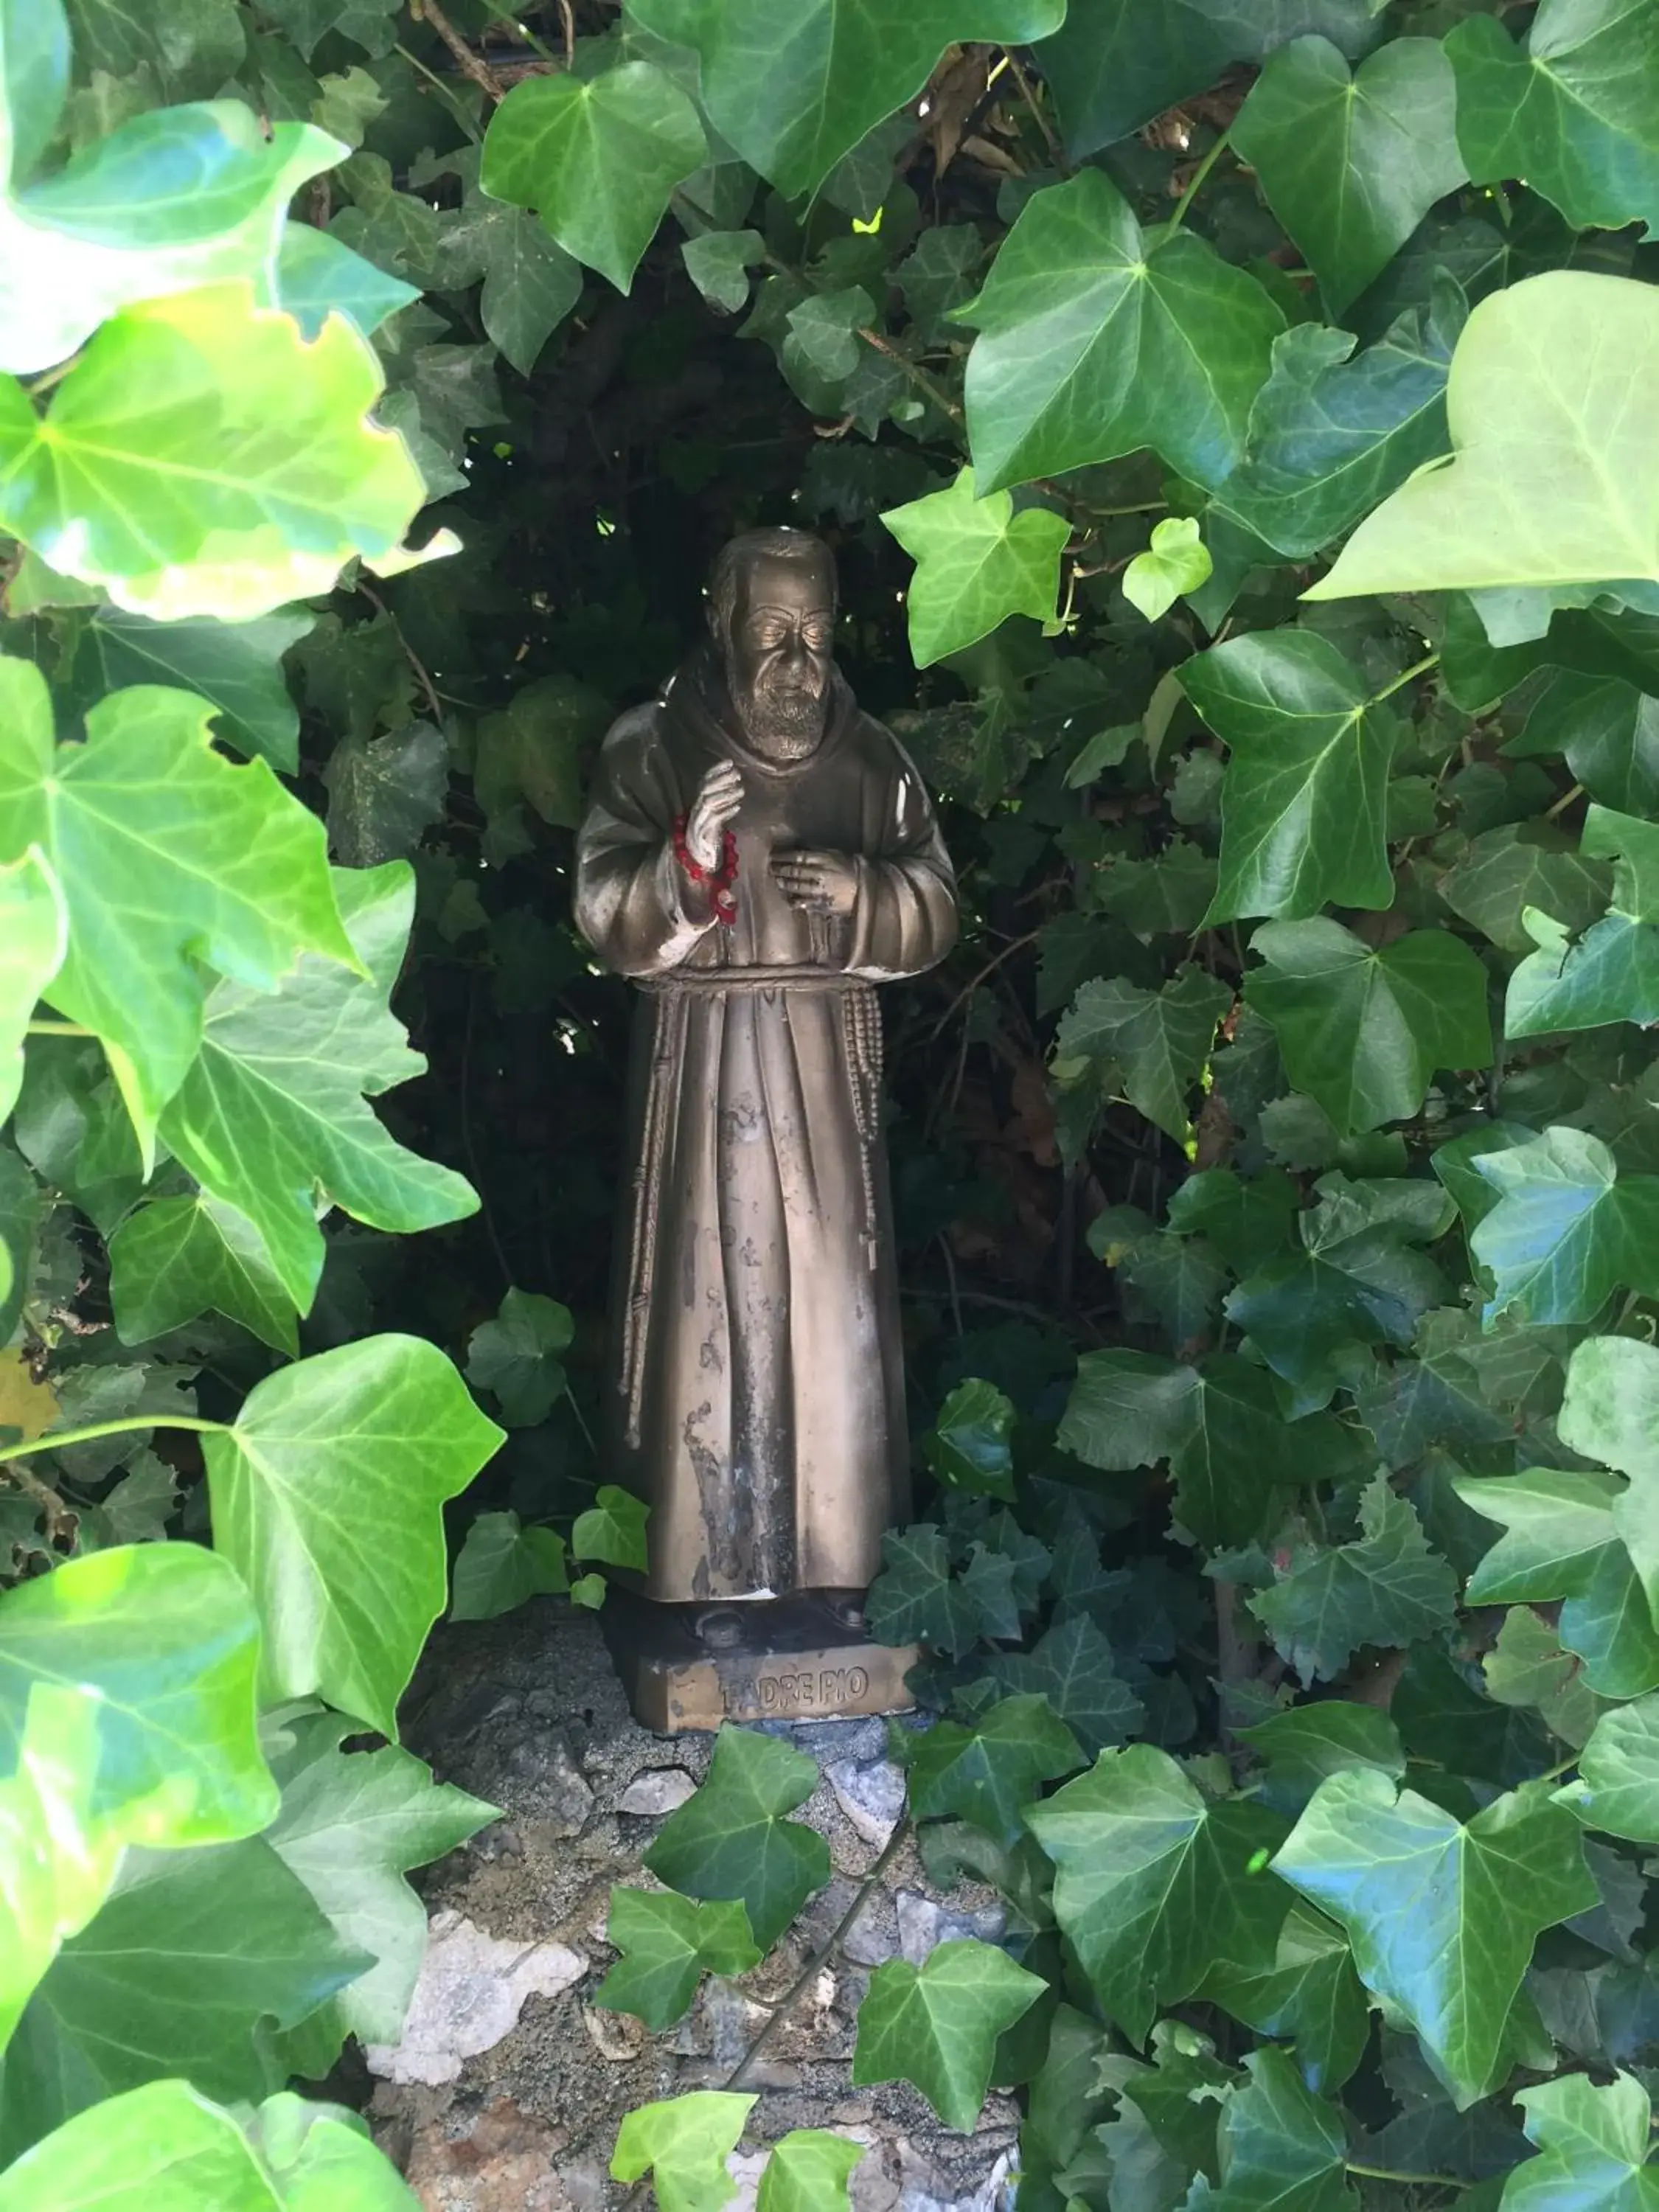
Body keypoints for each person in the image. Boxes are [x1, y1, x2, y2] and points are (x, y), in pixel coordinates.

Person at [574, 526, 958, 1627]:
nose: (796, 663)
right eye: (771, 634)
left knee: (831, 1299)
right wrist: (687, 868)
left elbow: (933, 901)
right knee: (710, 1291)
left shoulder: (873, 759)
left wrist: (861, 891)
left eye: (816, 635)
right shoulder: (651, 751)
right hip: (703, 1068)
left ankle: (835, 1571)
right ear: (722, 623)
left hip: (825, 1068)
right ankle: (707, 1575)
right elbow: (606, 912)